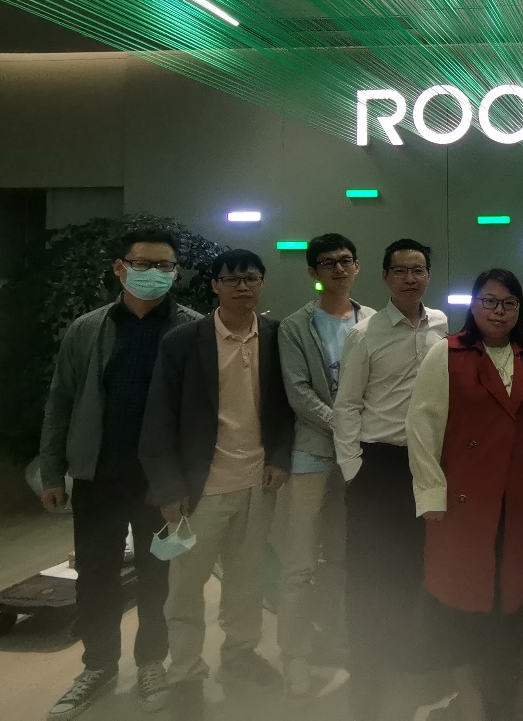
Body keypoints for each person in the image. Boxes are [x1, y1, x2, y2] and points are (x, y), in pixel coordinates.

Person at [39, 229, 200, 720]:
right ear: (119, 268)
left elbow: (204, 412)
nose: (155, 274)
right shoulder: (88, 329)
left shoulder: (193, 329)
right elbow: (61, 401)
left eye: (165, 266)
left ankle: (151, 661)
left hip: (162, 484)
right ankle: (98, 665)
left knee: (160, 577)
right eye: (143, 264)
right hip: (99, 477)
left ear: (176, 273)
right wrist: (52, 471)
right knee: (96, 575)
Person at [139, 248, 294, 721]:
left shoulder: (277, 336)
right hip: (198, 490)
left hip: (257, 483)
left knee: (247, 581)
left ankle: (241, 652)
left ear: (262, 283)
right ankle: (186, 672)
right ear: (214, 285)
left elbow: (287, 406)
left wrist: (280, 457)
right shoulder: (184, 341)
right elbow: (158, 418)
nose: (242, 286)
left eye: (251, 278)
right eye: (232, 279)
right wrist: (167, 488)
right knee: (185, 588)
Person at [407, 268, 523, 721]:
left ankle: (503, 698)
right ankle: (470, 697)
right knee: (464, 598)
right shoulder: (447, 353)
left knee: (509, 600)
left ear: (519, 309)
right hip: (464, 502)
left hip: (519, 500)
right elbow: (422, 426)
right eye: (489, 301)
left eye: (508, 303)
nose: (498, 311)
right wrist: (430, 493)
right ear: (473, 305)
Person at [332, 238, 447, 721]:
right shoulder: (364, 335)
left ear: (428, 275)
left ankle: (409, 668)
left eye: (418, 269)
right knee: (371, 575)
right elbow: (346, 406)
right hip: (379, 466)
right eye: (400, 270)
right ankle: (366, 681)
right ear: (384, 276)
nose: (410, 278)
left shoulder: (441, 324)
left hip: (428, 466)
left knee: (418, 570)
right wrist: (354, 469)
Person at [274, 233, 374, 695]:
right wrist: (345, 425)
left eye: (346, 260)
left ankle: (337, 639)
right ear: (312, 272)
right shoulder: (295, 327)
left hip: (356, 459)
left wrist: (356, 434)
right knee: (298, 564)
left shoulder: (372, 321)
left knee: (342, 556)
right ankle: (294, 655)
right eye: (328, 263)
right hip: (311, 455)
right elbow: (298, 392)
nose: (339, 269)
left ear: (357, 266)